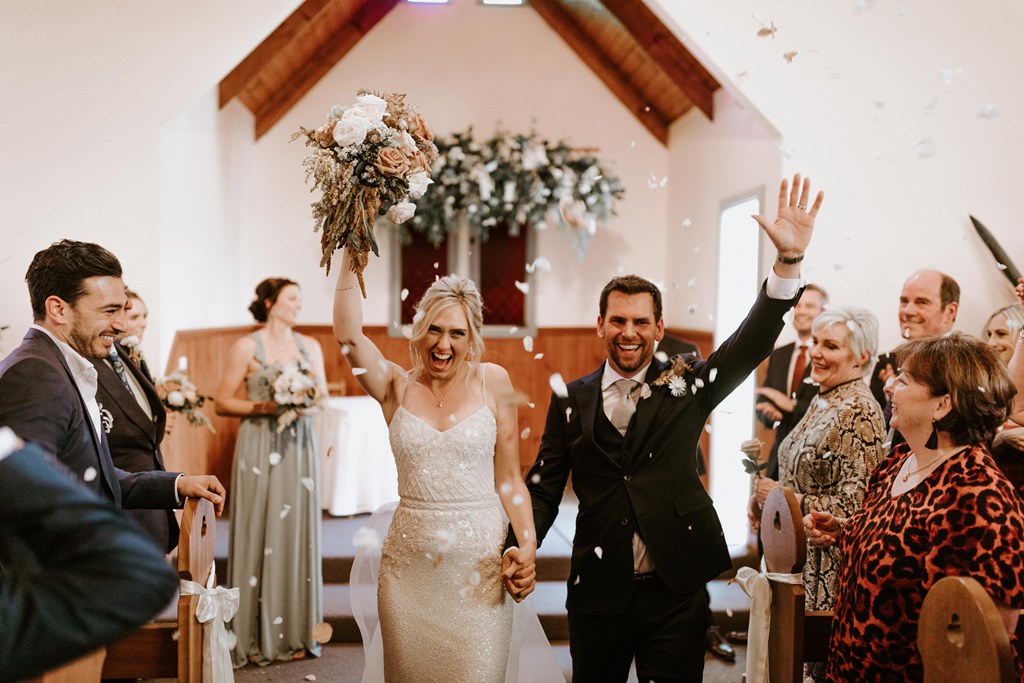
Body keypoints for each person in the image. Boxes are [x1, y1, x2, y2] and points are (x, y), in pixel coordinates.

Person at [509, 174, 824, 681]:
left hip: (674, 589)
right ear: (600, 325)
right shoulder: (572, 398)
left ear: (659, 328)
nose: (627, 333)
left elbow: (748, 345)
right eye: (617, 321)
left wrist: (787, 265)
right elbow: (544, 489)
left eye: (640, 322)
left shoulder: (690, 385)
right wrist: (522, 542)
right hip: (598, 589)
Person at [334, 248, 559, 682]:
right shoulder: (393, 386)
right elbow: (347, 335)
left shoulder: (496, 381)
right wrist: (350, 249)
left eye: (456, 333)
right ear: (418, 330)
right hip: (408, 573)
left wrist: (527, 546)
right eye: (434, 330)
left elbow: (511, 479)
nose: (443, 344)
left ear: (473, 336)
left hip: (479, 572)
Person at [805, 333, 1024, 681]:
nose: (890, 386)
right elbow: (898, 550)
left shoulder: (976, 493)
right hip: (853, 666)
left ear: (943, 404)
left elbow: (982, 639)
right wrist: (846, 531)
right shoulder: (899, 461)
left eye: (904, 380)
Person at [0, 239, 225, 514]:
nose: (121, 325)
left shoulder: (61, 364)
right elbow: (28, 498)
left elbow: (94, 477)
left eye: (123, 309)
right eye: (109, 311)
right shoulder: (35, 375)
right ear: (58, 309)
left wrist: (175, 485)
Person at [748, 305, 885, 680]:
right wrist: (765, 501)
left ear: (861, 357)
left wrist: (783, 499)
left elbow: (856, 506)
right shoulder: (823, 397)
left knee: (814, 667)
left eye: (831, 346)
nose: (817, 353)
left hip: (828, 570)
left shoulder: (858, 410)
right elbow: (797, 472)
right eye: (815, 343)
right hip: (798, 561)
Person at [0, 427, 179, 682]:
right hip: (80, 568)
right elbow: (138, 575)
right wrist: (7, 452)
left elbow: (99, 471)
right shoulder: (43, 388)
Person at [215, 278, 327, 666]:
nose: (298, 305)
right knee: (258, 526)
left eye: (300, 298)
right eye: (292, 298)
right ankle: (251, 634)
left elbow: (321, 399)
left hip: (299, 447)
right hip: (259, 444)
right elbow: (223, 402)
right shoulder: (247, 346)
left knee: (296, 531)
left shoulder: (310, 347)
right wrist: (265, 406)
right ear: (269, 302)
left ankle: (295, 633)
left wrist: (300, 399)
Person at [93, 286, 179, 552]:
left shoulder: (127, 353)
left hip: (152, 494)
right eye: (113, 310)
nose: (125, 321)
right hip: (120, 506)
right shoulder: (85, 363)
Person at [755, 284, 829, 480]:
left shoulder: (831, 355)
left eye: (810, 306)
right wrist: (770, 414)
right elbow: (765, 400)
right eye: (798, 305)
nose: (802, 311)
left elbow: (831, 407)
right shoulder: (779, 354)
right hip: (778, 461)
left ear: (824, 312)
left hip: (817, 462)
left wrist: (791, 405)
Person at [869, 270, 959, 412]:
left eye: (922, 302)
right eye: (904, 301)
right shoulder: (885, 363)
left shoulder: (964, 366)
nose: (908, 311)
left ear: (950, 311)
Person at [984, 303, 1024, 491]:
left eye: (1001, 334)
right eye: (989, 334)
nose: (991, 343)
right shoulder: (984, 391)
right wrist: (1000, 442)